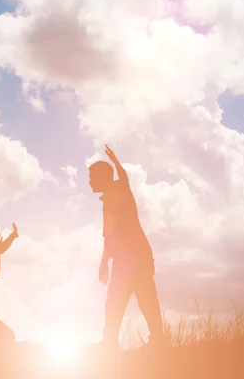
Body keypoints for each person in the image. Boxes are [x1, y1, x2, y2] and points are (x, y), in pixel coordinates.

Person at [88, 144, 165, 350]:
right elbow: (123, 176)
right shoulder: (119, 188)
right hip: (134, 256)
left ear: (102, 178)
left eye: (91, 178)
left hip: (131, 259)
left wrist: (104, 262)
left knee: (123, 301)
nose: (89, 183)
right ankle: (155, 340)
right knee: (139, 300)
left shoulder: (114, 195)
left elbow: (110, 234)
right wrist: (115, 161)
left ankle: (112, 342)